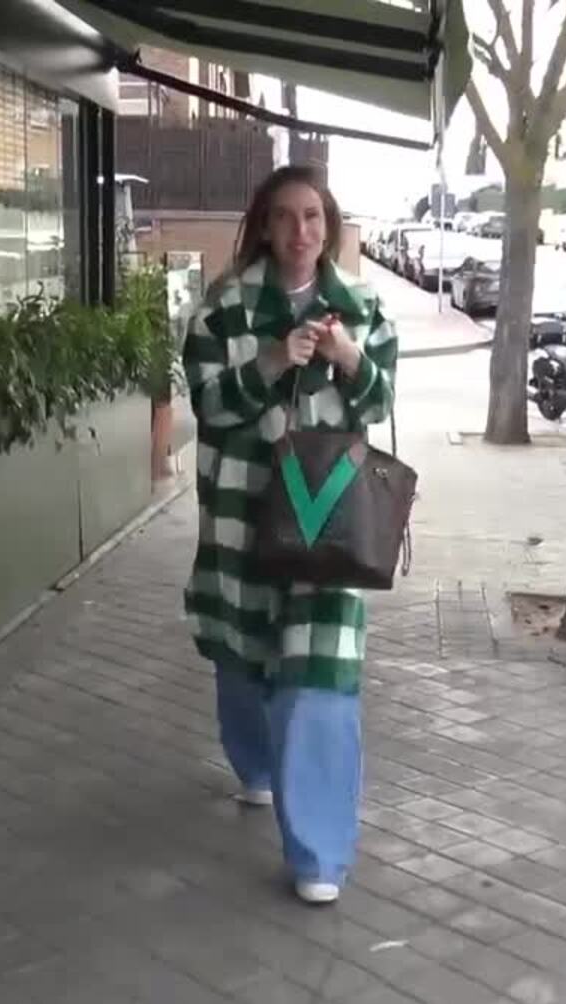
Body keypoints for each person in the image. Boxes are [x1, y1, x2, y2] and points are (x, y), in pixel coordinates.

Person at [181, 165, 396, 906]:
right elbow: (209, 405)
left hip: (330, 520)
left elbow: (383, 400)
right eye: (284, 217)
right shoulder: (223, 310)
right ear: (264, 226)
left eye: (312, 216)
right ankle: (254, 764)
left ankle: (319, 856)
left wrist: (350, 360)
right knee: (243, 655)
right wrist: (271, 362)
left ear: (328, 226)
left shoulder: (363, 308)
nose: (300, 231)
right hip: (242, 514)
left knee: (319, 676)